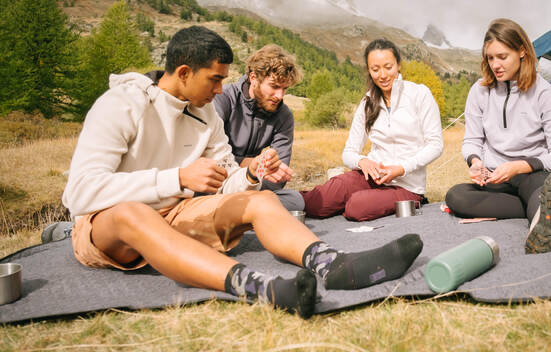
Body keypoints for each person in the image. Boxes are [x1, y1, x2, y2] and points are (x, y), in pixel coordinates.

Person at [61, 26, 424, 319]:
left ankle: (334, 265)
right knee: (133, 212)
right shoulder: (120, 105)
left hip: (176, 211)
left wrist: (251, 177)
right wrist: (178, 178)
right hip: (109, 225)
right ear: (184, 73)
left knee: (263, 199)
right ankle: (258, 287)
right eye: (214, 80)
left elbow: (229, 175)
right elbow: (78, 193)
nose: (220, 89)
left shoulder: (205, 115)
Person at [444, 19, 551, 254]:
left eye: (502, 56)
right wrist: (475, 162)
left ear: (522, 52)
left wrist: (520, 166)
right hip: (496, 178)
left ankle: (541, 225)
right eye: (490, 58)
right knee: (456, 197)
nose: (495, 64)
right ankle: (540, 209)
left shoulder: (544, 93)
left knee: (539, 188)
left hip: (532, 175)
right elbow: (472, 140)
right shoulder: (479, 91)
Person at [301, 39, 444, 221]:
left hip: (406, 185)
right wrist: (363, 162)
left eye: (388, 67)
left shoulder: (419, 94)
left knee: (357, 206)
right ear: (369, 71)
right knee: (317, 202)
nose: (383, 75)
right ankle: (273, 202)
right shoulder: (367, 103)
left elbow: (436, 146)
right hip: (370, 178)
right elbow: (349, 153)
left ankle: (404, 201)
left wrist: (401, 169)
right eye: (375, 70)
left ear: (398, 65)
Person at [214, 44, 304, 212]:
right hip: (216, 185)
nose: (280, 96)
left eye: (285, 88)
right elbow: (211, 160)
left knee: (296, 201)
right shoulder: (223, 99)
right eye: (274, 86)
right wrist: (252, 164)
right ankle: (248, 212)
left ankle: (238, 211)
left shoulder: (284, 116)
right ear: (253, 77)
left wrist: (256, 172)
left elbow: (276, 178)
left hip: (253, 188)